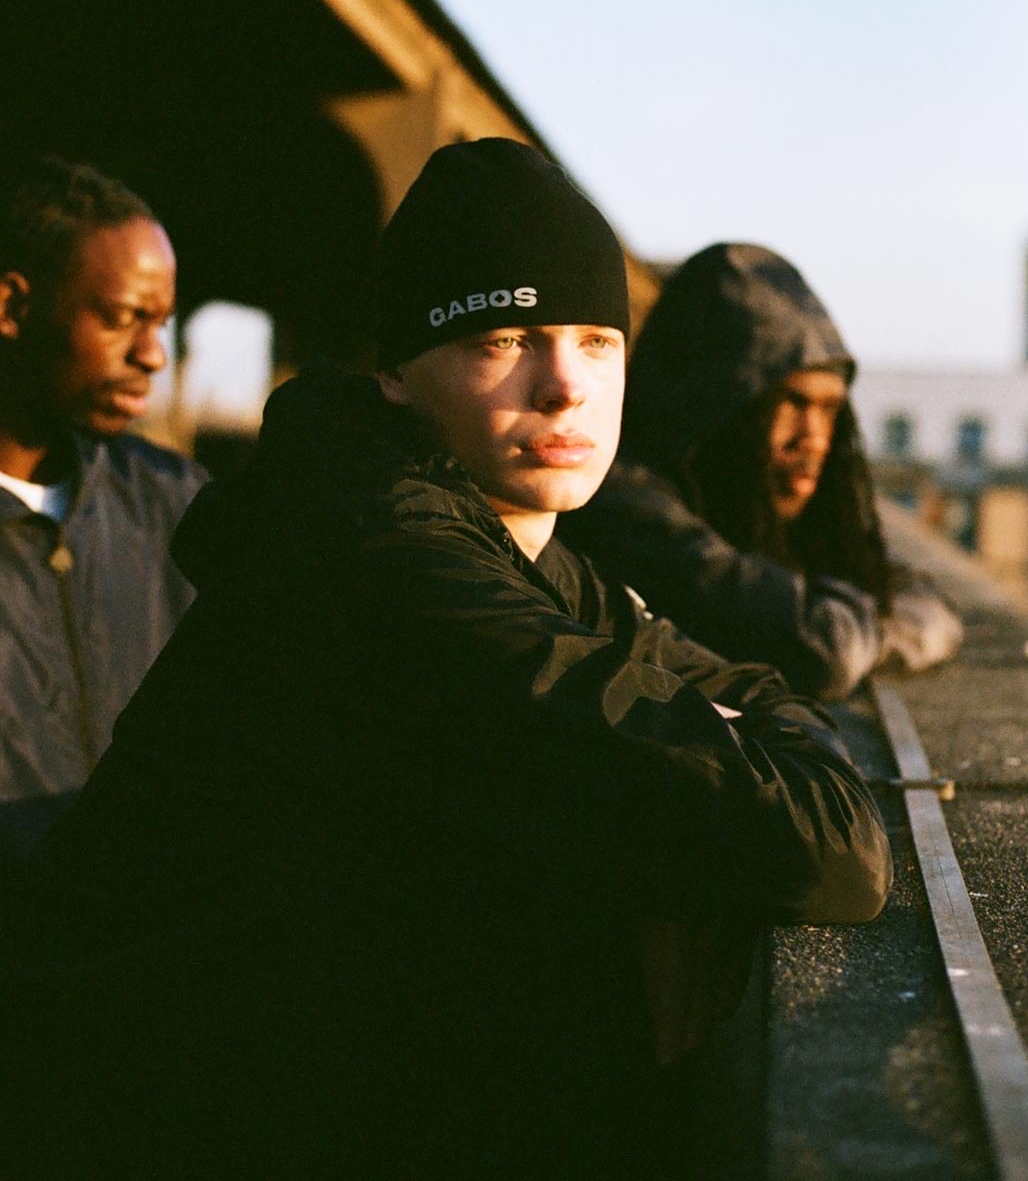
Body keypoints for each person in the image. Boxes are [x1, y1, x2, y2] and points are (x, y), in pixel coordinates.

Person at [0, 145, 891, 1180]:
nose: (564, 386)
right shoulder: (385, 559)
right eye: (503, 337)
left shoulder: (517, 541)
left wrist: (752, 741)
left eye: (596, 342)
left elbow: (757, 690)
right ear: (394, 369)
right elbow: (823, 844)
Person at [563, 241, 962, 702]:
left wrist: (863, 623)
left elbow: (927, 603)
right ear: (714, 405)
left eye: (830, 409)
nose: (813, 437)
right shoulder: (621, 500)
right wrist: (876, 624)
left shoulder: (744, 509)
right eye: (791, 403)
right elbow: (823, 650)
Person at [0, 156, 206, 860]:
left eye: (163, 323)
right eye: (121, 318)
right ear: (12, 307)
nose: (153, 354)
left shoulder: (179, 505)